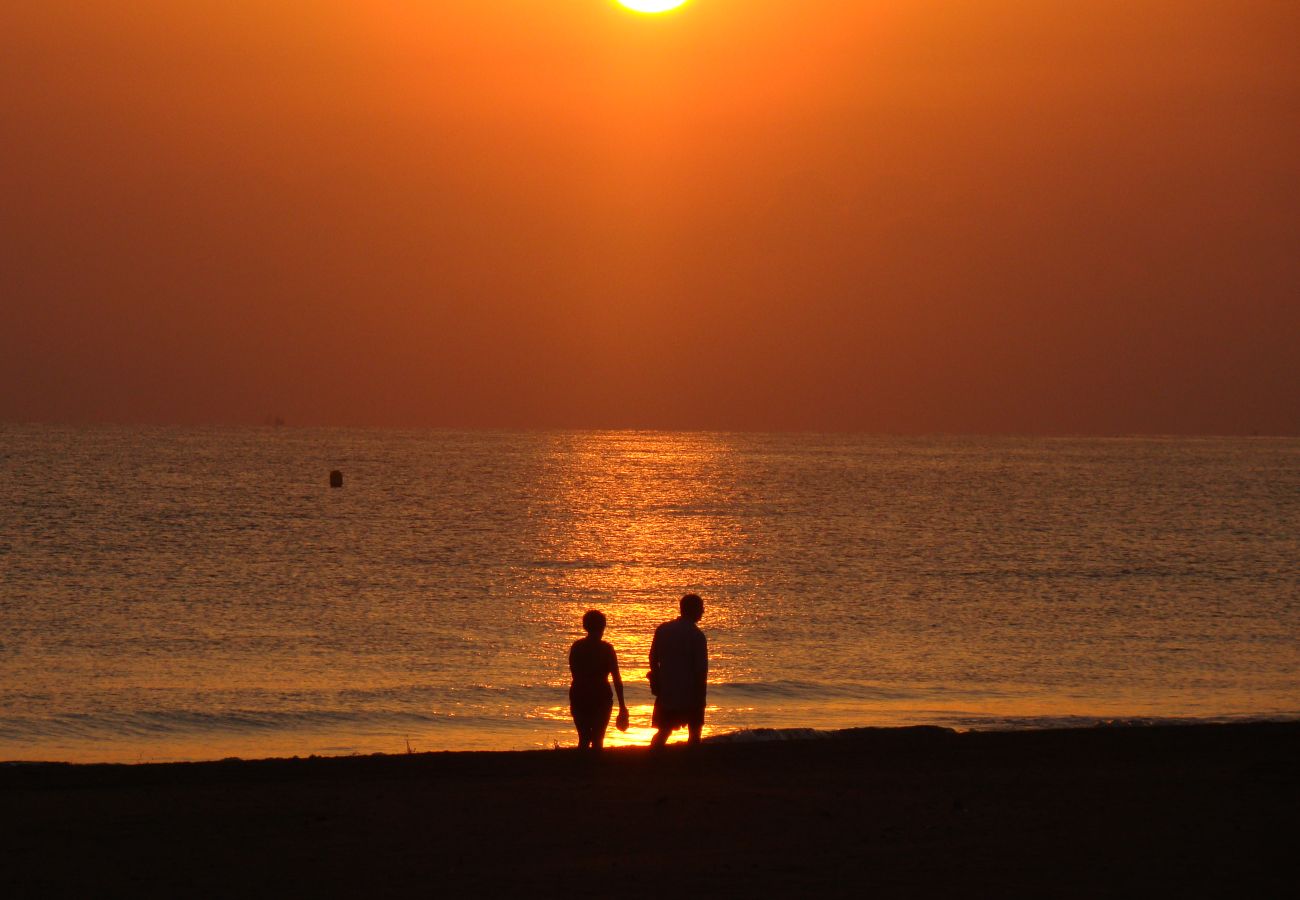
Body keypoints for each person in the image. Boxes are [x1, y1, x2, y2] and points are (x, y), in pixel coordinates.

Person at [649, 593, 708, 748]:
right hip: (689, 692)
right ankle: (691, 763)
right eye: (701, 608)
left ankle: (651, 760)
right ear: (694, 610)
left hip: (667, 690)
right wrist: (701, 697)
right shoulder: (697, 635)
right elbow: (701, 670)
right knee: (694, 732)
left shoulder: (663, 630)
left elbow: (652, 658)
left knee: (664, 731)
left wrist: (656, 680)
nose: (703, 612)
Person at [568, 610, 629, 750]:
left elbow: (574, 672)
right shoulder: (607, 649)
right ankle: (595, 767)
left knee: (583, 737)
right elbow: (617, 679)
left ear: (585, 626)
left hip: (579, 693)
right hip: (600, 696)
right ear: (603, 626)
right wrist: (622, 706)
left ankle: (582, 767)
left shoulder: (577, 647)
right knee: (598, 738)